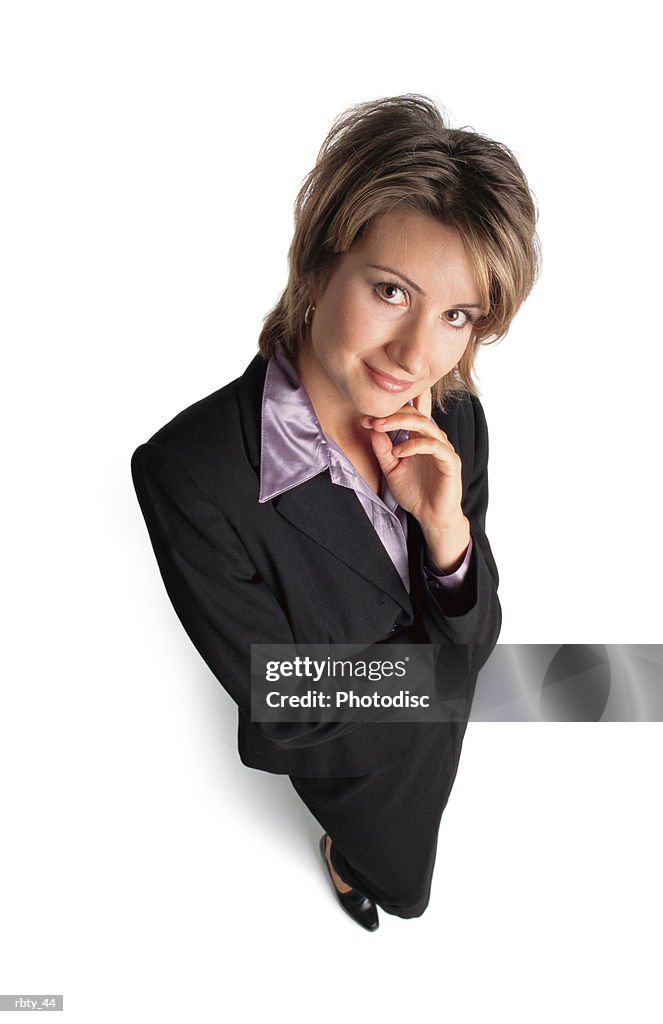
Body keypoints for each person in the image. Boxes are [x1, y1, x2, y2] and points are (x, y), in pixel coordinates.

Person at [131, 94, 539, 930]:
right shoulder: (190, 475)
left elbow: (476, 624)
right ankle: (348, 860)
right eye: (391, 290)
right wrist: (451, 681)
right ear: (318, 266)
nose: (415, 354)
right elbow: (289, 710)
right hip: (355, 762)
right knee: (400, 881)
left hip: (432, 730)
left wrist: (447, 539)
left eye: (455, 315)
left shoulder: (453, 415)